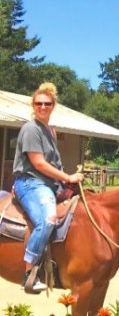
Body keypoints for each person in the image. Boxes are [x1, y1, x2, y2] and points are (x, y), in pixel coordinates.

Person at [13, 82, 84, 294]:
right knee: (48, 220)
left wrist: (67, 183)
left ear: (53, 106)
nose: (42, 107)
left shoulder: (50, 131)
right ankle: (30, 273)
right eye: (38, 103)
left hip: (48, 184)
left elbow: (54, 163)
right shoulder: (30, 129)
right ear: (33, 105)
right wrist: (67, 176)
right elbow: (39, 163)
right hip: (31, 182)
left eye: (47, 103)